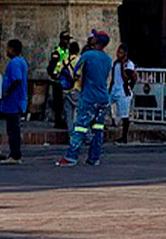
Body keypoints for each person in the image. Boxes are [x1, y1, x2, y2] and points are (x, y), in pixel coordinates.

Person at [58, 32, 116, 166]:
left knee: (80, 127)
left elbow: (76, 73)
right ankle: (94, 158)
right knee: (98, 129)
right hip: (103, 98)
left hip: (89, 96)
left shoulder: (87, 55)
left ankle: (71, 157)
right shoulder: (107, 59)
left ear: (97, 41)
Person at [0, 39, 29, 163]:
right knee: (13, 128)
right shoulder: (21, 61)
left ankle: (15, 155)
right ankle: (14, 153)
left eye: (7, 48)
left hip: (13, 101)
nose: (6, 51)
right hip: (17, 100)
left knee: (13, 129)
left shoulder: (14, 63)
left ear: (12, 49)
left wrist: (8, 91)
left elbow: (17, 79)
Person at [112, 45, 137, 141]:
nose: (118, 54)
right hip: (115, 89)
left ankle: (124, 136)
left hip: (124, 91)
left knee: (124, 115)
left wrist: (123, 65)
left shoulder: (129, 64)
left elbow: (126, 78)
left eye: (121, 53)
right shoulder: (115, 64)